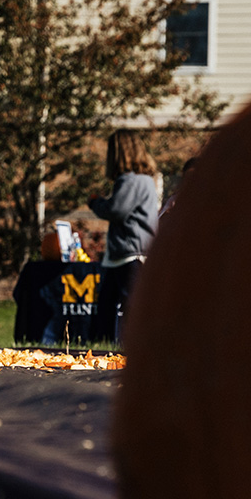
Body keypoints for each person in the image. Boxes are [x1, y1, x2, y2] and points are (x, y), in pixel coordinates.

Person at [88, 129, 159, 343]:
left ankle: (137, 344)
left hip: (129, 252)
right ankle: (103, 342)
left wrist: (95, 202)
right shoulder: (145, 180)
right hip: (128, 252)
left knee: (129, 303)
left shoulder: (130, 181)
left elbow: (116, 210)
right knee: (109, 302)